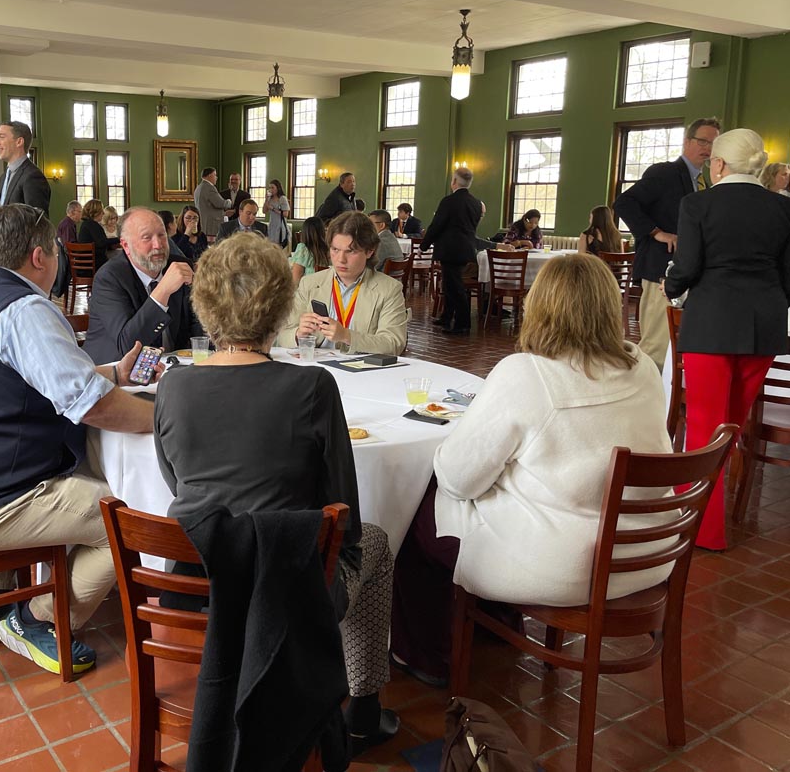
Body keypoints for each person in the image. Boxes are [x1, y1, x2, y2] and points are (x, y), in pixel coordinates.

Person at [156, 233, 400, 755]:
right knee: (376, 543)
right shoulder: (312, 387)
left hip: (198, 582)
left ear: (205, 305)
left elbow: (178, 486)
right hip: (288, 593)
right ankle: (363, 707)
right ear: (280, 305)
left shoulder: (172, 386)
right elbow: (344, 514)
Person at [390, 254, 674, 685]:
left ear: (539, 305)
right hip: (647, 555)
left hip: (569, 567)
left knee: (419, 509)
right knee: (504, 491)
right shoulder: (642, 367)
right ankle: (496, 623)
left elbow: (457, 478)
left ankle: (429, 655)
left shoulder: (528, 374)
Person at [0, 203, 158, 675]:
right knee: (127, 518)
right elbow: (94, 408)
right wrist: (162, 419)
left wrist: (111, 373)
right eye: (56, 253)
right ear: (39, 257)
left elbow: (25, 377)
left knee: (52, 462)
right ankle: (39, 619)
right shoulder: (25, 309)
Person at [664, 128, 790, 551]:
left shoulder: (698, 204)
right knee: (731, 423)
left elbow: (686, 267)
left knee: (704, 424)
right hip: (765, 325)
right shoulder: (782, 207)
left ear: (718, 164)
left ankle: (702, 529)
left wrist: (670, 286)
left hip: (712, 323)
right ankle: (698, 507)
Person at [614, 117, 721, 371]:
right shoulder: (665, 173)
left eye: (713, 144)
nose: (707, 148)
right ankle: (645, 392)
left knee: (677, 343)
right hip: (660, 269)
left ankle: (667, 392)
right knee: (656, 345)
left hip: (688, 272)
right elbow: (624, 203)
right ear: (687, 141)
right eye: (702, 141)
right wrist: (656, 232)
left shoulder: (705, 182)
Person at [83, 207, 202, 364]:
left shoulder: (179, 266)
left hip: (173, 369)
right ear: (126, 246)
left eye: (162, 235)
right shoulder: (109, 278)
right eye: (147, 238)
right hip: (115, 371)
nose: (158, 245)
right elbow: (128, 345)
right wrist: (163, 290)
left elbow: (198, 323)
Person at [278, 211, 407, 355]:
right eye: (335, 249)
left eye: (351, 251)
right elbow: (282, 334)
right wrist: (298, 334)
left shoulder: (389, 289)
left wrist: (347, 336)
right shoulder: (310, 283)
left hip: (362, 366)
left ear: (370, 251)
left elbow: (393, 343)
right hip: (315, 363)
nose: (340, 259)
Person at [420, 167, 484, 336]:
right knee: (450, 284)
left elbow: (436, 225)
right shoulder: (476, 203)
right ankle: (446, 316)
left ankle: (463, 324)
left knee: (455, 287)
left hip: (450, 250)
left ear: (454, 181)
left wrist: (423, 246)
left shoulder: (449, 201)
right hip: (466, 249)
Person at [0, 121, 51, 212]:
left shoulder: (33, 177)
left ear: (19, 142)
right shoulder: (3, 177)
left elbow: (36, 219)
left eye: (2, 137)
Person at [289, 216, 331, 284]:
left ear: (305, 232)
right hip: (324, 287)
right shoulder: (328, 248)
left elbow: (296, 279)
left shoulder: (303, 249)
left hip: (308, 287)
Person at [77, 198, 116, 270]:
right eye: (101, 211)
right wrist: (119, 239)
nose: (103, 213)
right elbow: (102, 242)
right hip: (92, 265)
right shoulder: (93, 225)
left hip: (84, 264)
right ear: (95, 213)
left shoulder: (86, 224)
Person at [194, 167, 232, 237]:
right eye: (215, 175)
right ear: (209, 175)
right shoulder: (209, 188)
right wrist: (229, 202)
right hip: (211, 224)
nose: (216, 177)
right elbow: (220, 203)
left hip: (203, 222)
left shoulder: (198, 187)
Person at [263, 178, 291, 247]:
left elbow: (286, 214)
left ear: (277, 188)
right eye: (269, 188)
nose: (271, 189)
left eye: (272, 187)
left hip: (280, 225)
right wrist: (266, 199)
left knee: (278, 246)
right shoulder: (270, 199)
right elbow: (264, 211)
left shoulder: (282, 198)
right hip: (272, 224)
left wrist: (273, 209)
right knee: (270, 246)